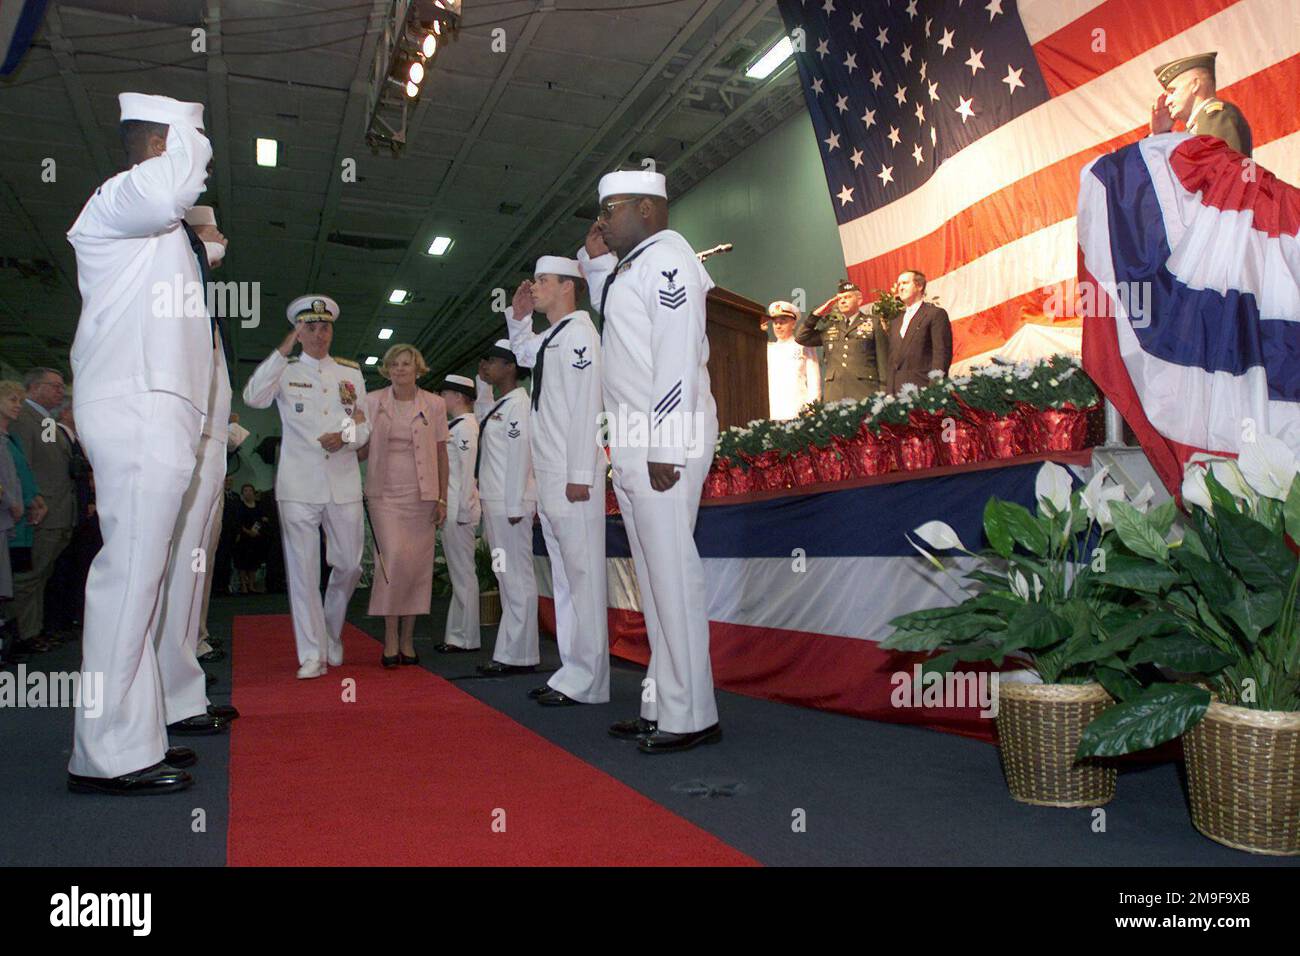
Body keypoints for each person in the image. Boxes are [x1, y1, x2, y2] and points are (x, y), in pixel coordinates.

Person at [65, 92, 215, 794]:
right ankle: (106, 752)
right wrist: (188, 139)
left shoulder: (164, 232)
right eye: (193, 141)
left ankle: (137, 731)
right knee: (128, 579)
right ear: (163, 142)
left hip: (160, 409)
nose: (204, 165)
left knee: (144, 581)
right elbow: (173, 192)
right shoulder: (122, 200)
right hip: (136, 405)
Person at [577, 168, 721, 754]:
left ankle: (692, 714)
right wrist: (593, 262)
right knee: (654, 579)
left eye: (611, 211)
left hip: (667, 434)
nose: (602, 221)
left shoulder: (670, 260)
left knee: (672, 577)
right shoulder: (635, 267)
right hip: (637, 436)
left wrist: (665, 444)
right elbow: (621, 328)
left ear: (645, 207)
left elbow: (676, 357)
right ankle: (662, 700)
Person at [243, 294, 369, 679]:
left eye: (325, 326)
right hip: (298, 485)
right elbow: (253, 397)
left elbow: (363, 426)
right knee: (303, 571)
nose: (319, 334)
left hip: (343, 481)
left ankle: (331, 629)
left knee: (349, 565)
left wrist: (344, 436)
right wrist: (283, 349)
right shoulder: (285, 370)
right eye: (309, 328)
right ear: (299, 333)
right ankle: (311, 653)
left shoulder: (351, 374)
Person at [506, 255, 610, 707]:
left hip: (572, 477)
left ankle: (588, 679)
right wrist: (519, 317)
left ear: (569, 286)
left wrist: (580, 474)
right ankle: (573, 672)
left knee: (583, 577)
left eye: (543, 281)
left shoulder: (582, 336)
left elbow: (589, 405)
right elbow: (524, 353)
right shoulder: (557, 336)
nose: (535, 286)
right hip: (552, 475)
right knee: (567, 578)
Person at [152, 204, 238, 735]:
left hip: (208, 447)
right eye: (212, 231)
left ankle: (180, 693)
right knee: (173, 570)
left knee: (190, 571)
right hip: (187, 442)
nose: (222, 238)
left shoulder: (206, 297)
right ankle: (167, 698)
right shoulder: (175, 287)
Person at [358, 343, 449, 667]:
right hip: (383, 496)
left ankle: (408, 640)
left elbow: (441, 454)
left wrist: (442, 498)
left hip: (422, 497)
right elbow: (360, 447)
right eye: (394, 364)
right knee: (393, 562)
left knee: (416, 569)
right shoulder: (371, 402)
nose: (399, 369)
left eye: (406, 364)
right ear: (386, 369)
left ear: (417, 368)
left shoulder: (435, 404)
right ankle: (390, 636)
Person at [474, 340, 539, 677]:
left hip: (509, 504)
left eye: (492, 361)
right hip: (496, 503)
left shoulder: (518, 406)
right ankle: (514, 651)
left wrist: (515, 503)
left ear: (511, 367)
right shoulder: (500, 405)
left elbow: (520, 456)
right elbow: (481, 412)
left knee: (516, 576)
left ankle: (519, 654)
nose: (485, 367)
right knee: (506, 575)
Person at [9, 368, 74, 652]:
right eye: (56, 387)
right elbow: (25, 467)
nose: (61, 392)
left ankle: (34, 630)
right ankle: (24, 633)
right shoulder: (24, 418)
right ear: (34, 388)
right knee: (29, 577)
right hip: (41, 512)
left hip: (59, 509)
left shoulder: (45, 421)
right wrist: (33, 501)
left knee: (41, 576)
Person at [433, 374, 481, 654]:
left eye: (445, 394)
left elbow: (465, 470)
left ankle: (465, 637)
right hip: (453, 506)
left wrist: (461, 509)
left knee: (463, 573)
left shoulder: (465, 428)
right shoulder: (458, 426)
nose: (442, 399)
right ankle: (458, 635)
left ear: (458, 397)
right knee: (460, 574)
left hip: (459, 508)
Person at [795, 280, 889, 402]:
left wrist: (884, 393)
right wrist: (817, 314)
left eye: (848, 297)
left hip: (864, 392)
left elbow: (883, 361)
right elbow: (801, 337)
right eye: (840, 299)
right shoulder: (831, 327)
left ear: (859, 300)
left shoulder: (873, 323)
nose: (843, 301)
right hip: (835, 393)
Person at [1150, 51, 1252, 157]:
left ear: (1195, 85)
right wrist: (1160, 135)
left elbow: (1224, 167)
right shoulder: (1194, 127)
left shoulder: (1214, 116)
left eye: (1172, 92)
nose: (1167, 102)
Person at [882, 270, 952, 393]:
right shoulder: (895, 322)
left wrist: (935, 390)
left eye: (905, 283)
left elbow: (941, 355)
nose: (901, 288)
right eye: (899, 284)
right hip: (898, 393)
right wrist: (889, 393)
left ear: (919, 286)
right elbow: (892, 361)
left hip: (924, 388)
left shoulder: (934, 314)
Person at [0, 381, 30, 663]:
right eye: (12, 400)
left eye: (19, 400)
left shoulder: (7, 439)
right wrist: (13, 502)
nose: (17, 405)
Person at [764, 301, 820, 420]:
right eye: (775, 322)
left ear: (793, 323)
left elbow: (814, 380)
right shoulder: (768, 349)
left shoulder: (804, 345)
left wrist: (811, 410)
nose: (778, 326)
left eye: (783, 321)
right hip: (773, 412)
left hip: (798, 411)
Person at [232, 484, 269, 593]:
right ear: (242, 494)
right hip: (243, 538)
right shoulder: (240, 506)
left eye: (250, 490)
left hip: (256, 538)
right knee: (242, 562)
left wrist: (257, 530)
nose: (248, 492)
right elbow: (238, 522)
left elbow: (263, 519)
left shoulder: (259, 506)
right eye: (245, 490)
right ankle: (244, 585)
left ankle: (252, 585)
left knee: (254, 562)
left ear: (254, 492)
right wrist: (248, 532)